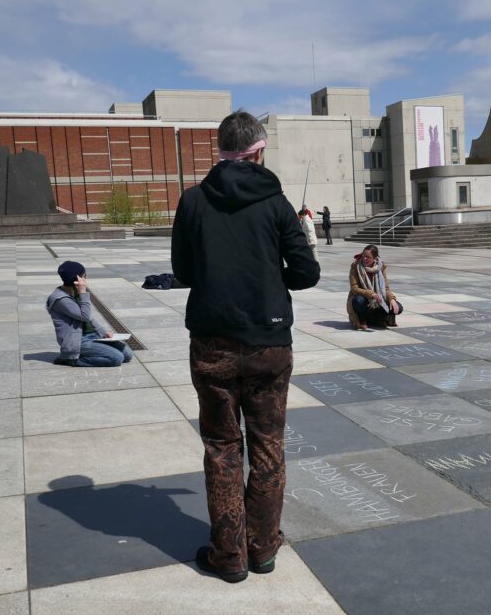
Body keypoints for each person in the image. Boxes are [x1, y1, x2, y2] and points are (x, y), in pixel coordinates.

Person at [171, 110, 320, 583]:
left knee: (221, 446)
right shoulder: (276, 205)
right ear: (259, 151)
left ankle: (228, 555)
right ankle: (262, 548)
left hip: (212, 342)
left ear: (220, 150)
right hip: (268, 343)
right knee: (268, 445)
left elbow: (185, 272)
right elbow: (306, 274)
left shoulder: (193, 201)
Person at [46, 261, 133, 366]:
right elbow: (85, 316)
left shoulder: (74, 292)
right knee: (116, 358)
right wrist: (83, 292)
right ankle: (70, 359)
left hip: (92, 336)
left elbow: (90, 318)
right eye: (84, 275)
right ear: (79, 278)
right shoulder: (60, 299)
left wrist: (103, 332)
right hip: (78, 341)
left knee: (127, 355)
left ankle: (87, 353)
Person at [347, 244, 401, 330]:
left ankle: (380, 318)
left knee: (398, 307)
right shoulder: (356, 266)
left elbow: (385, 289)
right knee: (358, 300)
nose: (364, 259)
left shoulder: (381, 267)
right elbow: (354, 288)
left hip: (377, 299)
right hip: (363, 298)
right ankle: (362, 319)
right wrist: (371, 294)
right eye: (364, 256)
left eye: (368, 257)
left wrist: (392, 299)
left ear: (375, 258)